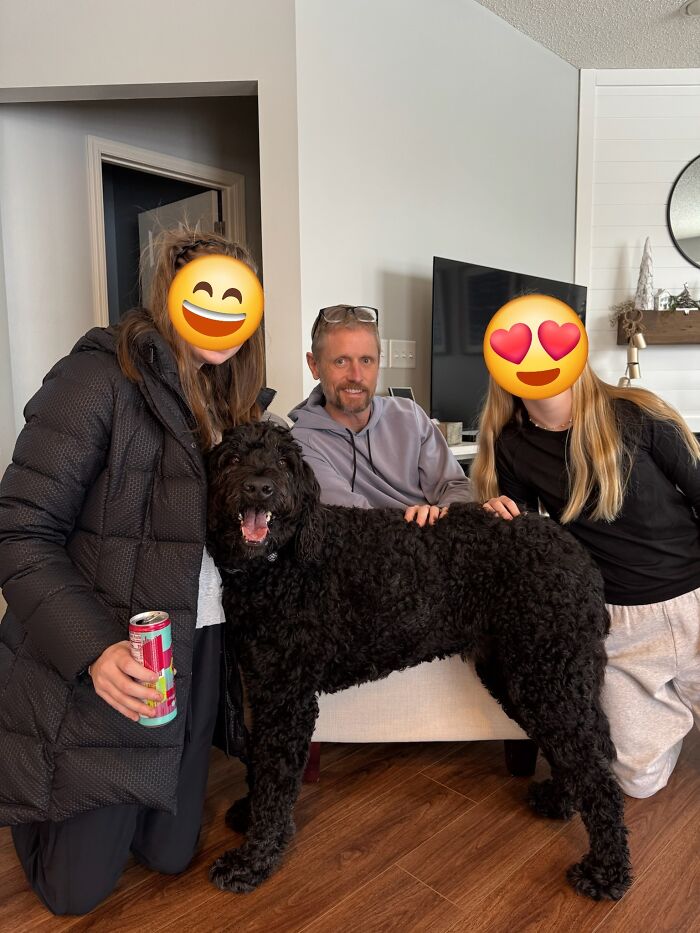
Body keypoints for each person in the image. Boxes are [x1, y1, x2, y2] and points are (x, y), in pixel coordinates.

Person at [0, 228, 265, 915]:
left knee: (172, 854)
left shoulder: (228, 398)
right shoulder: (94, 380)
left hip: (198, 638)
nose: (223, 313)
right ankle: (29, 788)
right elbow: (20, 531)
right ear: (172, 296)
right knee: (73, 891)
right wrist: (94, 650)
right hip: (111, 645)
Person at [471, 363, 700, 798]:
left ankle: (681, 692)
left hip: (693, 599)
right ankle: (671, 710)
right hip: (619, 624)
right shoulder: (513, 444)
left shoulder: (639, 414)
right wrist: (497, 516)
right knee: (637, 783)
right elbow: (524, 539)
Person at [289, 304, 473, 524]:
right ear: (314, 365)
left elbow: (456, 486)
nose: (356, 376)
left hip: (436, 539)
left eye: (366, 360)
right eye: (341, 361)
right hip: (375, 547)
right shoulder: (301, 444)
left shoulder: (410, 415)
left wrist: (442, 513)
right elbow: (358, 521)